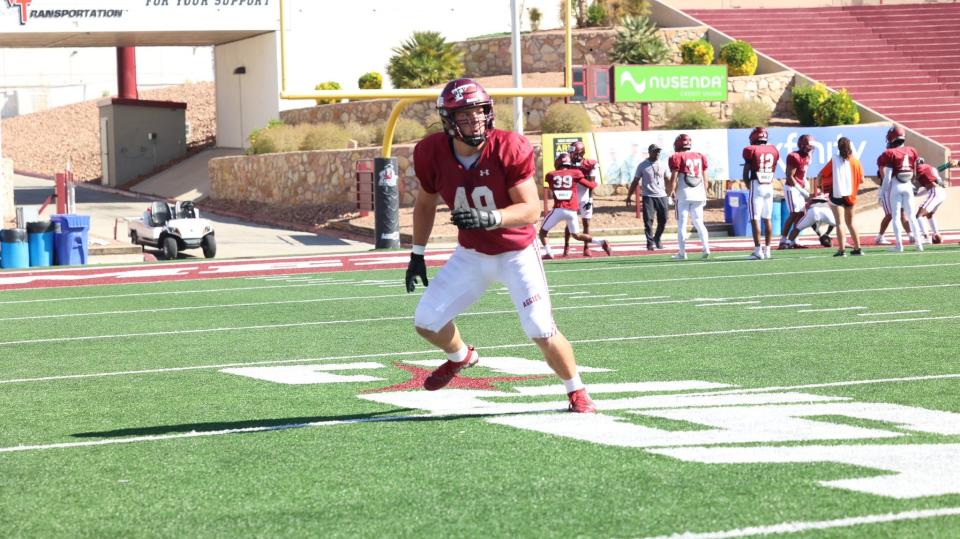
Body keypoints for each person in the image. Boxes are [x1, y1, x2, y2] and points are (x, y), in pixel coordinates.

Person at [404, 78, 597, 413]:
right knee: (426, 320)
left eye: (479, 113)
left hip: (517, 252)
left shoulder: (508, 147)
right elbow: (424, 203)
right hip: (472, 254)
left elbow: (531, 209)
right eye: (464, 116)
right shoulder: (431, 152)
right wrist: (417, 253)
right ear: (448, 121)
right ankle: (461, 356)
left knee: (538, 326)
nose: (474, 121)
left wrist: (490, 218)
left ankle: (576, 390)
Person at [541, 153, 612, 259]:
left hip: (558, 208)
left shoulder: (551, 175)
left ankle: (549, 253)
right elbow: (591, 185)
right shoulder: (575, 173)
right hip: (572, 210)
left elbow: (553, 186)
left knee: (542, 232)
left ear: (558, 163)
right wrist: (594, 177)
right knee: (577, 235)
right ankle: (601, 242)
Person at [877, 125, 924, 253]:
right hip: (908, 185)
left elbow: (885, 176)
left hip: (896, 185)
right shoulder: (912, 150)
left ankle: (899, 246)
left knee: (896, 216)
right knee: (911, 216)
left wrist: (882, 193)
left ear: (891, 139)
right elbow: (914, 170)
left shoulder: (889, 153)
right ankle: (919, 245)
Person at [666, 133, 711, 260]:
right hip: (699, 192)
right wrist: (705, 192)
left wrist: (670, 193)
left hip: (684, 193)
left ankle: (682, 253)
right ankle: (706, 247)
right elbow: (705, 178)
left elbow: (674, 178)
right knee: (698, 222)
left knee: (682, 224)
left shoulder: (677, 156)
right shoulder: (700, 156)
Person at [816, 137, 864, 256]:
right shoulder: (856, 161)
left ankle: (842, 250)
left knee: (840, 223)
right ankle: (858, 248)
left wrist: (819, 185)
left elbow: (821, 174)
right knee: (851, 223)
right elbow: (862, 179)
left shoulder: (834, 160)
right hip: (851, 196)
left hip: (837, 194)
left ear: (838, 147)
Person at [742, 127, 780, 260]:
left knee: (755, 219)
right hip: (769, 185)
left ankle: (758, 250)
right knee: (767, 218)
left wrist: (748, 186)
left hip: (756, 184)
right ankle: (768, 250)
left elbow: (745, 173)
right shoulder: (773, 149)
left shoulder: (750, 150)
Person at [874, 127, 914, 245]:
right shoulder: (889, 154)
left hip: (897, 187)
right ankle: (880, 236)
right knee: (891, 214)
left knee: (902, 212)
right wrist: (883, 190)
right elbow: (883, 173)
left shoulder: (894, 153)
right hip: (887, 188)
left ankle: (910, 235)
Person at [627, 144, 670, 251]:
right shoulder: (642, 165)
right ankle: (650, 243)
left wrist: (672, 191)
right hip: (648, 196)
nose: (658, 153)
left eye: (659, 151)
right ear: (650, 152)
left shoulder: (663, 164)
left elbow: (667, 179)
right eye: (655, 151)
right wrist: (629, 195)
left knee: (664, 219)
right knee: (648, 221)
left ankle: (657, 237)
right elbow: (635, 181)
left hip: (662, 195)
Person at [563, 140, 600, 257]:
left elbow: (591, 183)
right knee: (569, 222)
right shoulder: (567, 162)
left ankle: (586, 247)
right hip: (572, 194)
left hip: (584, 194)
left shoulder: (589, 163)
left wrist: (590, 199)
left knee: (586, 223)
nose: (571, 154)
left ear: (580, 152)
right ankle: (566, 247)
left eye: (574, 152)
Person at [780, 134, 815, 249]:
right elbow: (789, 176)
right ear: (802, 145)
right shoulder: (794, 156)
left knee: (801, 214)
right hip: (791, 188)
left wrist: (806, 182)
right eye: (809, 146)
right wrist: (800, 189)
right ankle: (783, 241)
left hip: (800, 187)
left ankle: (794, 240)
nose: (810, 148)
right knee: (794, 213)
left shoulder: (808, 155)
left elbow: (803, 173)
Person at [913, 157, 951, 245]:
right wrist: (916, 194)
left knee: (919, 215)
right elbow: (927, 188)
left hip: (935, 191)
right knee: (929, 214)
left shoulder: (923, 167)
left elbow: (916, 174)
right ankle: (936, 235)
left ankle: (925, 237)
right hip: (938, 192)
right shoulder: (929, 169)